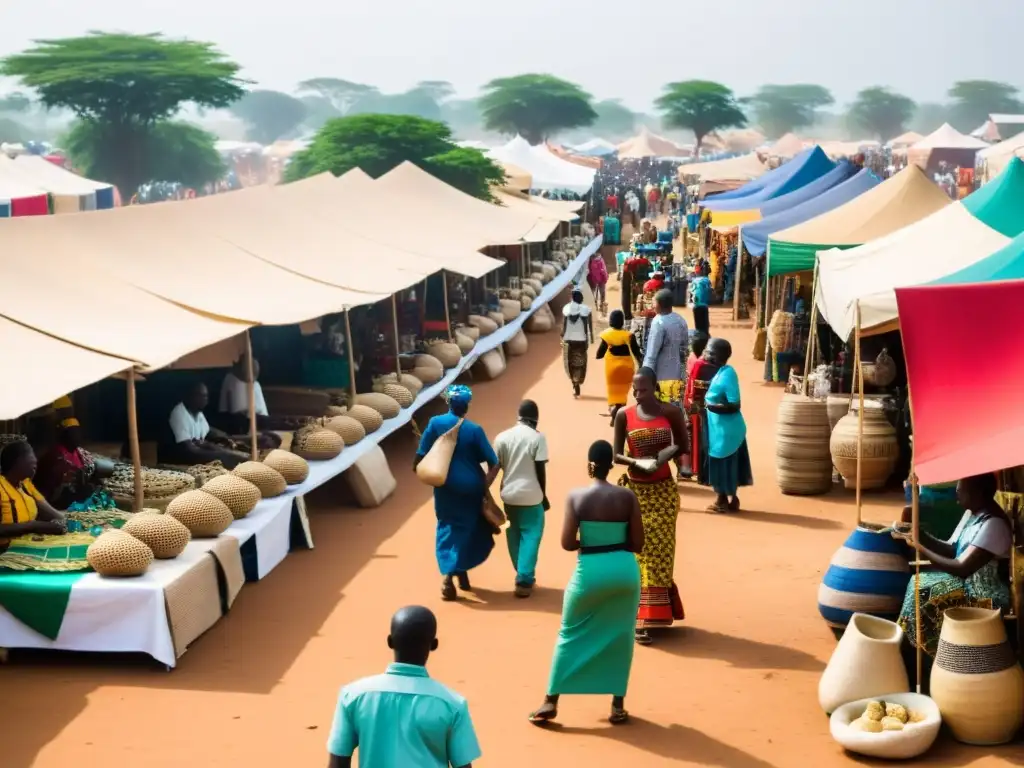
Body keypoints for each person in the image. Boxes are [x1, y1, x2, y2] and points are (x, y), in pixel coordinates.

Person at [529, 440, 643, 725]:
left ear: (591, 465)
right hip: (625, 573)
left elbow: (567, 543)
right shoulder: (628, 497)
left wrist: (590, 543)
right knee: (621, 636)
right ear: (611, 464)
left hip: (589, 571)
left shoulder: (576, 497)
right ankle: (617, 706)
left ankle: (550, 701)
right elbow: (638, 543)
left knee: (570, 633)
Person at [327, 606, 481, 768]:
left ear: (390, 641)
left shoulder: (352, 696)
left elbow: (337, 762)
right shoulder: (453, 704)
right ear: (434, 645)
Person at [895, 473, 1013, 667]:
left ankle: (927, 657)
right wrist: (919, 534)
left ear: (978, 493)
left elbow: (962, 568)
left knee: (922, 591)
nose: (956, 494)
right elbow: (951, 549)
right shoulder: (973, 514)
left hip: (985, 595)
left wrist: (920, 548)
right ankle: (914, 649)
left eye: (961, 490)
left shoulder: (994, 525)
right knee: (918, 583)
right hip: (966, 584)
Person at [613, 368, 688, 644]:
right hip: (636, 494)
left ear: (654, 387)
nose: (637, 394)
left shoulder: (670, 413)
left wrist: (660, 458)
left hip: (663, 493)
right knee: (640, 553)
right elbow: (616, 455)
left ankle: (649, 616)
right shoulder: (625, 415)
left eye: (643, 389)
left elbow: (683, 444)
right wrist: (636, 462)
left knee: (661, 553)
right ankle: (641, 616)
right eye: (635, 389)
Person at [414, 385, 500, 601]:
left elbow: (420, 456)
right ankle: (460, 574)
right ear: (467, 406)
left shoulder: (435, 424)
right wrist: (484, 486)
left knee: (447, 529)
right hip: (471, 490)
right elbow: (494, 463)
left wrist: (421, 470)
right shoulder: (474, 430)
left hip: (445, 489)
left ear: (448, 403)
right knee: (470, 530)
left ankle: (450, 577)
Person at [493, 400, 550, 598]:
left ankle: (521, 570)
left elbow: (495, 467)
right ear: (535, 420)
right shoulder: (537, 438)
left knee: (514, 533)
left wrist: (484, 491)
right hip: (532, 496)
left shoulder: (502, 437)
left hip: (508, 495)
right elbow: (540, 469)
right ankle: (524, 578)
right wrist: (544, 496)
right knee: (532, 535)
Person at [35, 397, 115, 511]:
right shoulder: (55, 455)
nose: (77, 437)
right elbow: (51, 484)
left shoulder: (80, 452)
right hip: (56, 497)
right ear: (64, 435)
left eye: (78, 433)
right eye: (73, 433)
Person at [704, 338, 753, 513]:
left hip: (726, 431)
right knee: (728, 465)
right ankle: (732, 500)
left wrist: (711, 407)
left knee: (722, 465)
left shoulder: (728, 375)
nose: (706, 354)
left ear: (718, 356)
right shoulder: (722, 371)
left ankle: (721, 500)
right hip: (720, 429)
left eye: (709, 352)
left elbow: (735, 404)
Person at [159, 382, 247, 469]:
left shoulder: (198, 412)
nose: (205, 399)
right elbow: (190, 451)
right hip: (178, 460)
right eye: (201, 396)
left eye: (206, 396)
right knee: (226, 458)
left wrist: (231, 440)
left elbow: (209, 432)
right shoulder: (179, 414)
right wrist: (224, 454)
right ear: (189, 396)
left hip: (195, 455)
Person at [0, 441, 67, 551]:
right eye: (30, 455)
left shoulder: (25, 485)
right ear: (17, 461)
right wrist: (34, 526)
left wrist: (71, 519)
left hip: (27, 546)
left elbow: (52, 513)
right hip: (4, 551)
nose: (35, 461)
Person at [217, 355, 282, 448]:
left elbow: (263, 412)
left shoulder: (256, 385)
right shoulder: (230, 380)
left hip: (259, 420)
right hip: (239, 422)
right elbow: (223, 408)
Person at [642, 289, 690, 412]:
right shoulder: (680, 320)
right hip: (678, 375)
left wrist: (645, 376)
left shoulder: (658, 322)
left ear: (659, 304)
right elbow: (685, 348)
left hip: (661, 377)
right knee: (675, 409)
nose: (653, 305)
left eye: (654, 302)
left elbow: (651, 354)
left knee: (659, 412)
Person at [683, 333, 719, 486]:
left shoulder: (695, 361)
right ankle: (703, 472)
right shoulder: (709, 364)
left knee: (696, 438)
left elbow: (690, 386)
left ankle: (695, 469)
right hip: (706, 407)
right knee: (706, 440)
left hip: (695, 405)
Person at [596, 309, 643, 426]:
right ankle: (619, 412)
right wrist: (642, 366)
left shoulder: (606, 335)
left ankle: (614, 413)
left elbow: (599, 354)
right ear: (622, 322)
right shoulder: (628, 335)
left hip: (612, 370)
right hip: (627, 369)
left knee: (613, 394)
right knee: (622, 395)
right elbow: (637, 353)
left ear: (611, 321)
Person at [560, 289, 593, 398]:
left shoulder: (566, 309)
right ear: (580, 298)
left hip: (569, 340)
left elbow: (564, 326)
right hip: (581, 340)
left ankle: (574, 383)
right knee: (579, 362)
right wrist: (590, 338)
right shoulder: (586, 310)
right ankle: (576, 381)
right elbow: (589, 326)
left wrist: (562, 337)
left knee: (570, 361)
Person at [689, 266, 712, 335]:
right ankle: (706, 336)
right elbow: (709, 290)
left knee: (698, 325)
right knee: (705, 324)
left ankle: (699, 337)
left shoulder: (694, 281)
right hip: (704, 305)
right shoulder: (707, 280)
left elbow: (691, 291)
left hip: (696, 305)